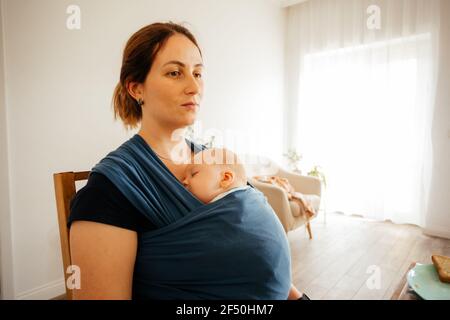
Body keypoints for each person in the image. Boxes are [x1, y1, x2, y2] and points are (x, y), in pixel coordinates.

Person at [68, 21, 307, 300]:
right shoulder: (109, 191)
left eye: (198, 73)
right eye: (174, 72)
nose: (194, 86)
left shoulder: (218, 162)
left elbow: (260, 252)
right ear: (136, 88)